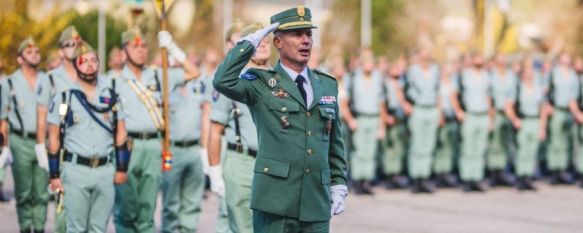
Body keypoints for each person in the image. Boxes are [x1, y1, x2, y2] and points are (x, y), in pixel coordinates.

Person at [213, 6, 348, 233]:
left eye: (308, 34)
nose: (305, 41)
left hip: (316, 201)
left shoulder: (326, 84)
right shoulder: (261, 83)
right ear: (277, 42)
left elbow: (334, 142)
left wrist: (338, 182)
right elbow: (222, 81)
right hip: (275, 202)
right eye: (296, 34)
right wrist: (249, 44)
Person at [112, 28, 200, 233]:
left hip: (153, 145)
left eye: (144, 46)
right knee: (125, 209)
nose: (141, 50)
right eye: (135, 46)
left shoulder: (158, 75)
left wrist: (172, 48)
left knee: (147, 208)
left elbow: (194, 72)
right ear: (124, 52)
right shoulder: (114, 80)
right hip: (126, 146)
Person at [46, 41, 130, 232]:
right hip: (76, 171)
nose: (90, 64)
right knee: (75, 227)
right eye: (84, 61)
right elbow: (54, 137)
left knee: (99, 228)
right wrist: (54, 174)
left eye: (94, 60)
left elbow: (121, 132)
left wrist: (122, 168)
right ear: (75, 64)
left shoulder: (111, 96)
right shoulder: (64, 97)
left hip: (104, 170)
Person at [208, 23, 271, 233]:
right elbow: (215, 130)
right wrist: (214, 171)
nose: (262, 45)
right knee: (242, 228)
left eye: (266, 41)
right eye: (257, 41)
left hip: (272, 164)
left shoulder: (280, 79)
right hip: (241, 162)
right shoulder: (232, 82)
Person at [35, 25, 83, 233]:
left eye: (77, 43)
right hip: (62, 149)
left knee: (85, 208)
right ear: (61, 51)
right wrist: (41, 148)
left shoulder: (91, 74)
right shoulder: (51, 78)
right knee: (63, 208)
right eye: (69, 44)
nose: (74, 47)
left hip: (86, 148)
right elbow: (42, 117)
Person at [1, 36, 49, 233]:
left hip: (42, 142)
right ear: (20, 58)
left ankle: (38, 228)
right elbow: (3, 117)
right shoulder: (9, 82)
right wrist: (4, 148)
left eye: (37, 52)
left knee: (41, 192)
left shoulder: (46, 79)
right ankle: (24, 228)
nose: (35, 55)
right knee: (23, 192)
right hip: (19, 141)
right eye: (29, 52)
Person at [159, 54, 209, 232]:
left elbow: (205, 117)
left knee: (192, 201)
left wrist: (204, 148)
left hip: (194, 149)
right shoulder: (165, 89)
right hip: (173, 150)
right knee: (170, 201)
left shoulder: (198, 87)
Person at [341, 50, 386, 195]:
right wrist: (350, 120)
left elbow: (381, 102)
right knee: (359, 152)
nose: (369, 64)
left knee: (370, 151)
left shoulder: (378, 77)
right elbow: (344, 102)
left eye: (371, 61)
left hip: (374, 117)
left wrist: (382, 125)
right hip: (359, 117)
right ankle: (358, 181)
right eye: (366, 61)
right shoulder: (353, 77)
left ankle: (367, 181)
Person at [452, 54, 493, 192]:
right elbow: (454, 93)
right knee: (468, 148)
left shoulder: (487, 76)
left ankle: (477, 177)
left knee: (479, 148)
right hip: (470, 114)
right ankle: (467, 178)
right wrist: (458, 111)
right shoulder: (464, 75)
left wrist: (490, 117)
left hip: (482, 114)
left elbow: (488, 96)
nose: (480, 60)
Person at [505, 58, 547, 191]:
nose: (530, 74)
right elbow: (508, 105)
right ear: (522, 74)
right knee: (522, 150)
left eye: (532, 72)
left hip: (535, 121)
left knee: (532, 150)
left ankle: (528, 176)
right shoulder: (517, 87)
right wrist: (515, 119)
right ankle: (520, 176)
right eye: (528, 71)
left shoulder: (537, 88)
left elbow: (543, 108)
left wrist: (542, 127)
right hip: (523, 121)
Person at [404, 49, 441, 193]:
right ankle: (416, 178)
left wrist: (439, 110)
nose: (425, 58)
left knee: (428, 145)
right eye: (423, 56)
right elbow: (403, 88)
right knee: (417, 145)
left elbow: (438, 91)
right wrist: (407, 105)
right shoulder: (412, 70)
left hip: (431, 109)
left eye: (428, 56)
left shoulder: (435, 70)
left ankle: (425, 177)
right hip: (418, 108)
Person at [546, 52, 579, 185]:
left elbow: (574, 96)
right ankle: (554, 170)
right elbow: (546, 91)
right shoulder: (553, 74)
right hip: (557, 110)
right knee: (555, 141)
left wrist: (576, 112)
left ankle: (562, 170)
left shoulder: (573, 75)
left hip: (569, 112)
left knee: (566, 142)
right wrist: (548, 105)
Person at [487, 54, 517, 187]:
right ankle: (493, 173)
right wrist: (490, 114)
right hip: (496, 113)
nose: (502, 64)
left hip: (508, 113)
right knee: (494, 145)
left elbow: (512, 95)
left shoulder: (511, 76)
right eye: (500, 62)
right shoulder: (491, 76)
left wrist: (510, 111)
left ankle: (501, 172)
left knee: (505, 144)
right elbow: (488, 95)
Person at [380, 57, 409, 189]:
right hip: (390, 116)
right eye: (394, 69)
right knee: (389, 149)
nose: (397, 72)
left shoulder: (401, 83)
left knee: (398, 149)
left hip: (399, 118)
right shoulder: (385, 83)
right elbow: (383, 102)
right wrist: (386, 116)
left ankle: (397, 174)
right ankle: (389, 175)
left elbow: (403, 99)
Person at [433, 63, 459, 187]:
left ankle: (446, 172)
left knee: (448, 146)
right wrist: (439, 115)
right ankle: (438, 173)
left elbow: (454, 100)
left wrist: (458, 112)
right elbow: (438, 100)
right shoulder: (438, 84)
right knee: (440, 146)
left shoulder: (452, 83)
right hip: (441, 116)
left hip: (450, 117)